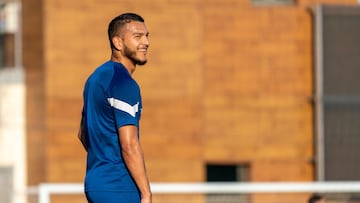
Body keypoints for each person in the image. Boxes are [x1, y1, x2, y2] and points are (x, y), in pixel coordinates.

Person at [78, 13, 152, 203]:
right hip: (119, 185)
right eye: (138, 37)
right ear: (118, 43)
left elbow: (83, 133)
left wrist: (103, 155)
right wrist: (146, 193)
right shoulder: (123, 83)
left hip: (96, 182)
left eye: (146, 36)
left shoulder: (96, 78)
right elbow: (129, 145)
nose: (146, 42)